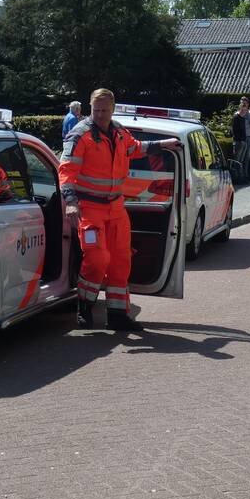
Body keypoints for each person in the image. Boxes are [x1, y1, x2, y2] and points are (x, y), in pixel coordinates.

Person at [59, 88, 181, 331]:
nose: (100, 114)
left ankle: (117, 314)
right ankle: (84, 306)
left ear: (113, 109)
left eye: (104, 110)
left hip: (116, 208)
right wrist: (71, 202)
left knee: (121, 261)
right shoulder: (80, 135)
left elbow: (136, 148)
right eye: (96, 110)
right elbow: (66, 170)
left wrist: (164, 144)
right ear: (90, 108)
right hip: (90, 208)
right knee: (97, 258)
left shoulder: (119, 132)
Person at [230, 100, 249, 181]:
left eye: (245, 110)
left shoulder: (243, 118)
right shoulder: (236, 117)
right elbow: (234, 131)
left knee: (241, 160)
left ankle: (240, 177)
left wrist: (244, 140)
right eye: (243, 110)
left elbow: (243, 130)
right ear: (240, 108)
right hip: (238, 142)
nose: (244, 111)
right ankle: (235, 178)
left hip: (243, 141)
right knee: (236, 160)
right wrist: (240, 140)